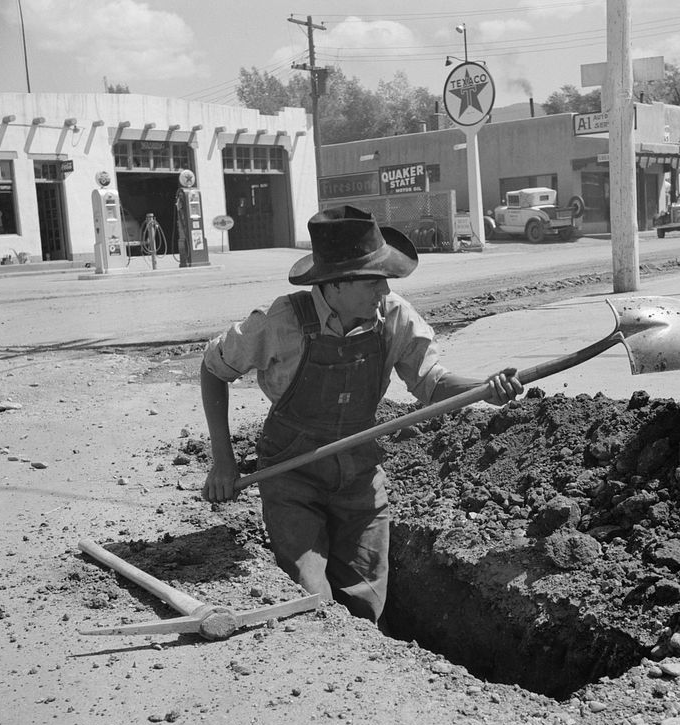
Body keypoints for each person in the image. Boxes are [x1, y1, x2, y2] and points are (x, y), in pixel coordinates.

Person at [201, 205, 523, 625]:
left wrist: (484, 389)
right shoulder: (281, 323)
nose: (384, 289)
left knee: (365, 600)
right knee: (309, 594)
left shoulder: (394, 317)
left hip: (359, 475)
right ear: (334, 284)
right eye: (374, 279)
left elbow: (432, 384)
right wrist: (223, 463)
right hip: (290, 474)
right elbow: (213, 368)